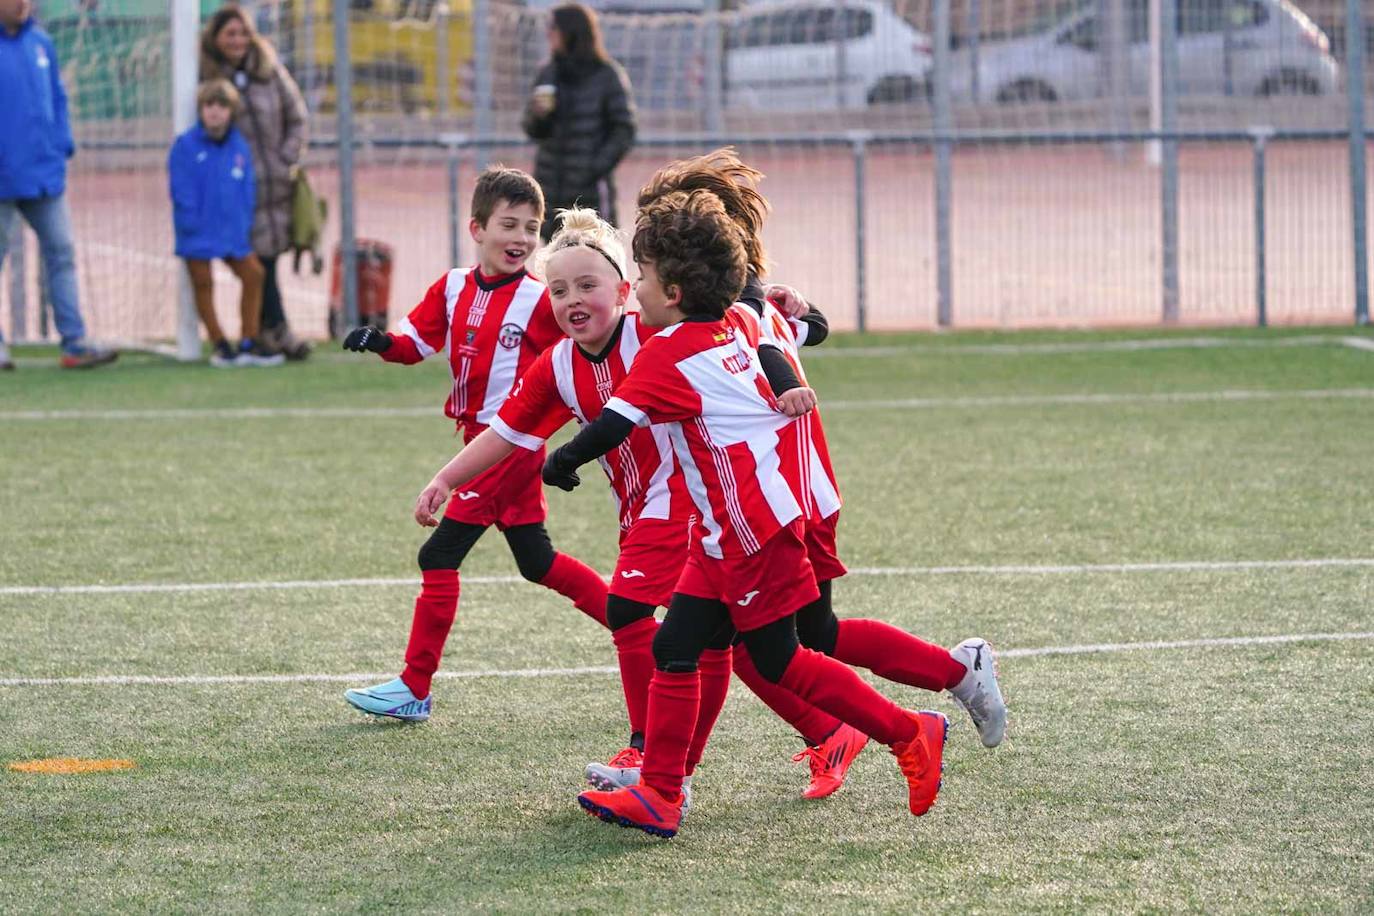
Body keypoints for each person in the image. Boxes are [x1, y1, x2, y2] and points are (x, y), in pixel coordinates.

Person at [585, 149, 1009, 804]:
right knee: (747, 639)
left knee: (778, 646)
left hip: (776, 500)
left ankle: (921, 703)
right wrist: (806, 317)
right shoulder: (741, 302)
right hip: (784, 493)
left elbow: (784, 342)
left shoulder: (729, 310)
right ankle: (666, 781)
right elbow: (809, 331)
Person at [339, 166, 609, 722]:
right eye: (508, 225)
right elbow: (416, 341)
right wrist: (381, 341)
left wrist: (553, 427)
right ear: (477, 229)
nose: (521, 238)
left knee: (438, 554)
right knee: (537, 560)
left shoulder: (541, 299)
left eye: (531, 228)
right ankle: (637, 625)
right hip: (478, 440)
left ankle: (415, 686)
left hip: (505, 445)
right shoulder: (454, 286)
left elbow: (580, 354)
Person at [0, 0, 117, 371]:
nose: (21, 4)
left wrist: (61, 142)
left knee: (62, 253)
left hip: (43, 174)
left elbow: (58, 97)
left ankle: (74, 341)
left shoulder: (41, 43)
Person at [200, 5, 312, 361]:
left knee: (270, 260)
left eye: (243, 33)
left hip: (277, 185)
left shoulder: (270, 71)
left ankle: (265, 330)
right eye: (230, 34)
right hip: (239, 190)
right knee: (257, 262)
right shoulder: (209, 79)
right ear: (215, 39)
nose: (238, 41)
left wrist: (285, 159)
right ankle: (275, 329)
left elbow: (297, 117)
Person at [168, 79, 282, 368]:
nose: (215, 112)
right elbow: (180, 188)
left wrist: (242, 222)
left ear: (231, 111)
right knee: (203, 283)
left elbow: (246, 188)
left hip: (232, 233)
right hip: (197, 232)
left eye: (222, 106)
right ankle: (220, 343)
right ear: (201, 110)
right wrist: (190, 221)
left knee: (254, 274)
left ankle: (249, 340)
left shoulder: (238, 147)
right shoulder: (186, 145)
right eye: (210, 106)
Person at [521, 2, 636, 242]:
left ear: (570, 31)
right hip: (550, 189)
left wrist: (594, 167)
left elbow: (624, 129)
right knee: (553, 262)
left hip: (590, 192)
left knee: (594, 259)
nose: (548, 33)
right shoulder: (548, 72)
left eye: (553, 27)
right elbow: (533, 129)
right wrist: (539, 115)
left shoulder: (606, 75)